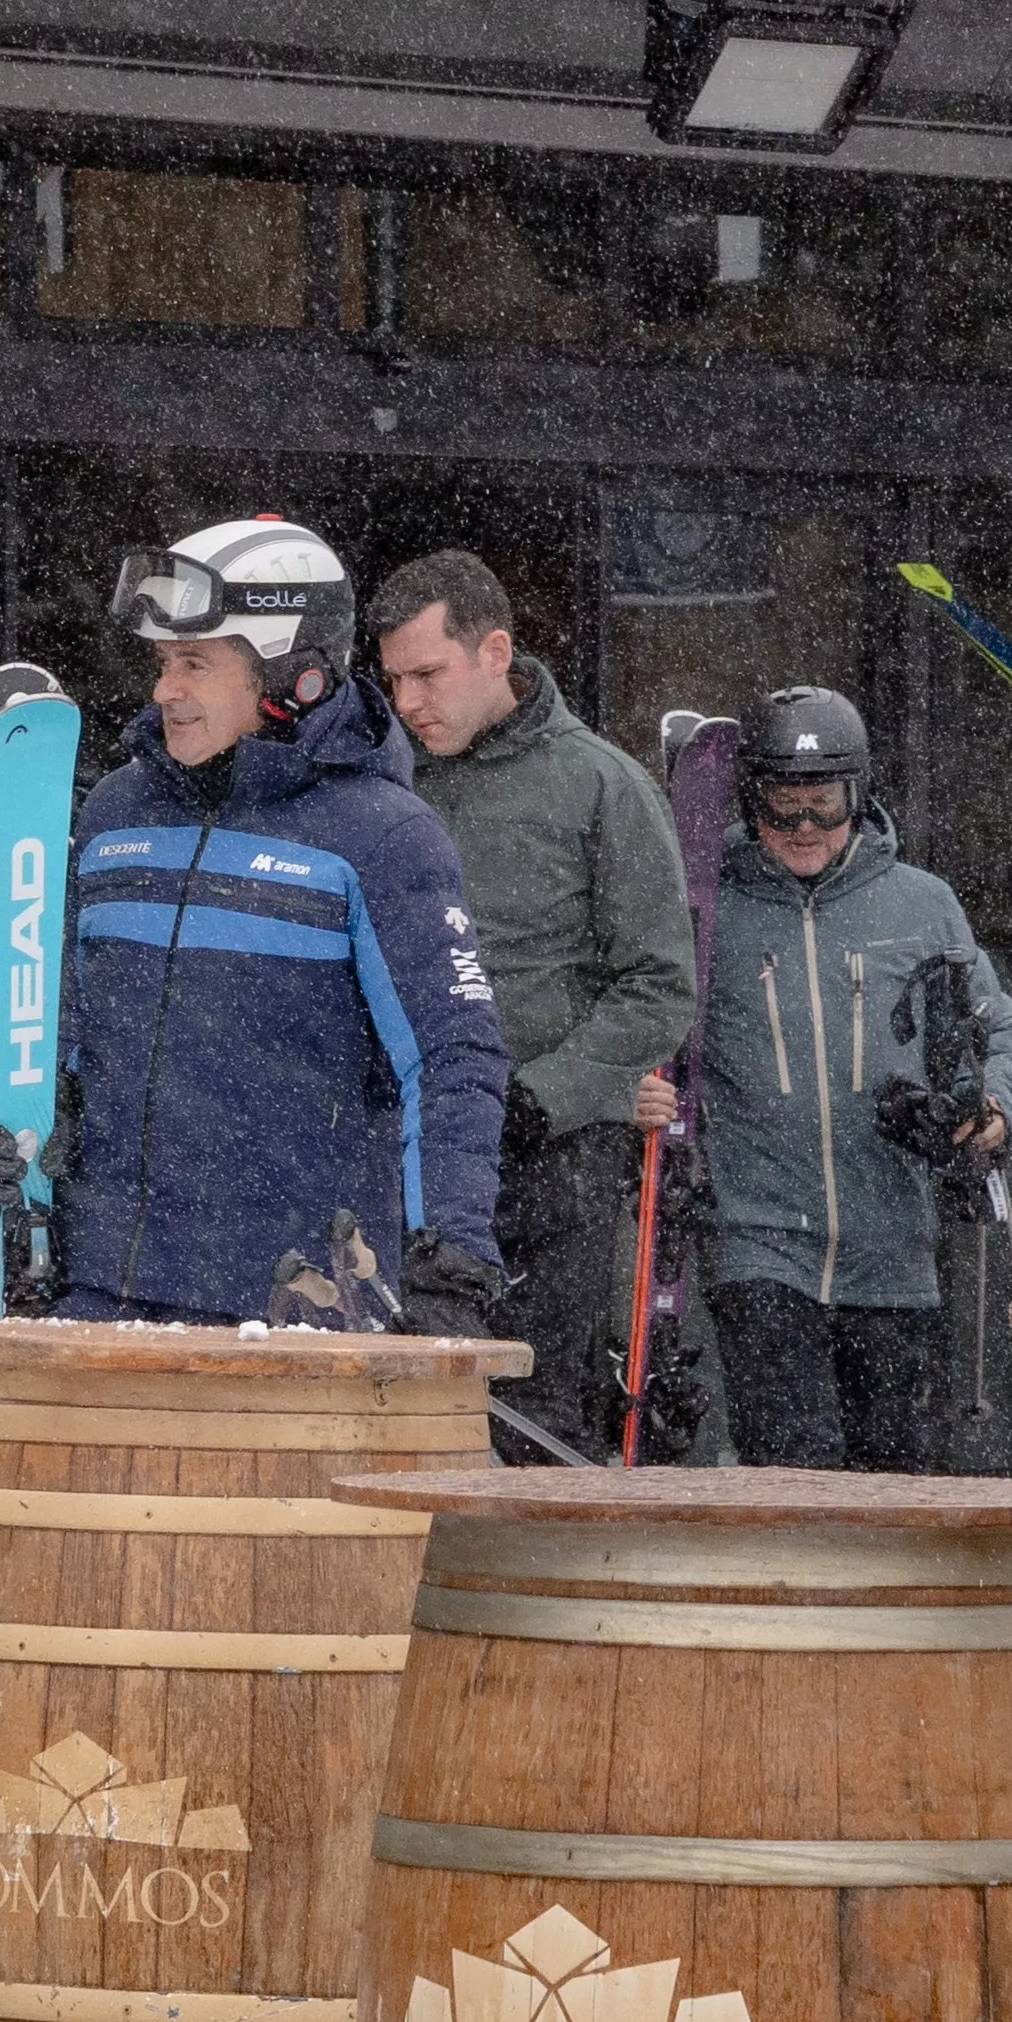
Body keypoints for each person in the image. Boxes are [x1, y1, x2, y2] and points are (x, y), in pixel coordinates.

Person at [43, 515, 510, 1337]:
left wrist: (452, 1251)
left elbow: (450, 1058)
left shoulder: (382, 837)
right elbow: (60, 1030)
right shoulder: (115, 814)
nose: (165, 691)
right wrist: (24, 1141)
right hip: (106, 1287)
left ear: (292, 675)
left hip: (295, 1304)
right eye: (162, 663)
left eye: (195, 663)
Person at [369, 549, 694, 1458]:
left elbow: (661, 984)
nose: (408, 703)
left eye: (427, 674)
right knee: (396, 1407)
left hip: (547, 1163)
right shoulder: (385, 787)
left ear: (496, 652)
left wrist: (546, 1095)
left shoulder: (602, 786)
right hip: (401, 1153)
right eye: (394, 680)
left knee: (526, 1412)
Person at [696, 685, 1012, 1473]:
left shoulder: (920, 904)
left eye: (827, 804)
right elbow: (661, 1026)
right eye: (784, 808)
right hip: (761, 1242)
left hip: (893, 1248)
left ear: (861, 795)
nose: (806, 828)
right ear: (753, 802)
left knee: (894, 1468)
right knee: (795, 1462)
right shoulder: (713, 906)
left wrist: (993, 1109)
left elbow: (998, 1028)